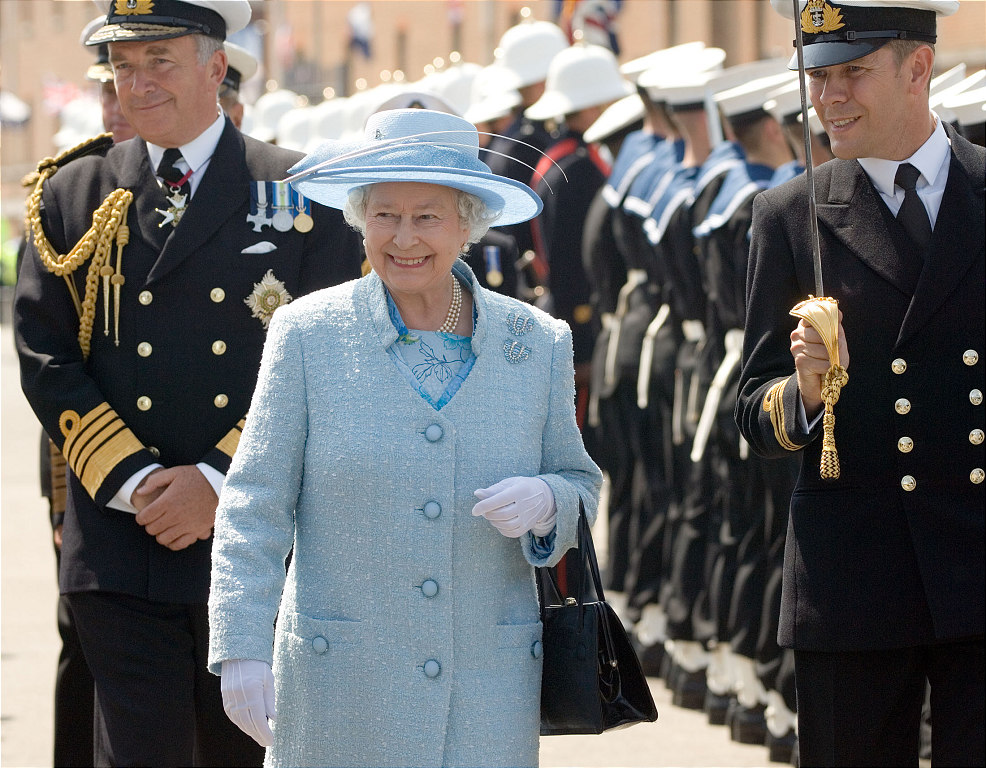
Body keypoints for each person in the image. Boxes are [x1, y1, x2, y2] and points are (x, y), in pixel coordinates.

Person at [13, 1, 361, 764]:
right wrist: (136, 481)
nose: (136, 85)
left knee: (240, 752)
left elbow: (330, 362)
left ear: (215, 66)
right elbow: (45, 355)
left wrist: (218, 481)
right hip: (119, 536)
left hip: (256, 538)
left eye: (158, 62)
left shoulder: (304, 196)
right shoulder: (73, 194)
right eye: (122, 67)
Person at [207, 107, 602, 767]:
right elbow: (255, 503)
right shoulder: (308, 334)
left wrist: (549, 501)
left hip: (487, 692)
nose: (403, 237)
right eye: (384, 214)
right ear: (361, 218)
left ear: (468, 223)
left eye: (427, 216)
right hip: (340, 691)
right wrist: (242, 647)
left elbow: (580, 482)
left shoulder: (536, 342)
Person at [737, 1, 984, 765]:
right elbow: (752, 409)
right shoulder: (789, 212)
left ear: (919, 68)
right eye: (819, 76)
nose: (829, 96)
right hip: (854, 574)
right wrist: (806, 392)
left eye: (853, 73)